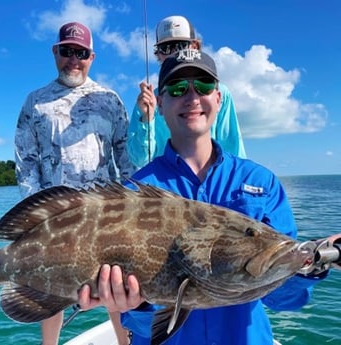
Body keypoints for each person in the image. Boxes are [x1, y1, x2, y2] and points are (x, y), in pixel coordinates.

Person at [77, 48, 328, 344]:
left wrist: (308, 264)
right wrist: (134, 305)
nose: (193, 97)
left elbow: (286, 301)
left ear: (219, 99)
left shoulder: (260, 182)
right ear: (159, 103)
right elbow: (145, 329)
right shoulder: (135, 193)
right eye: (179, 88)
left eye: (205, 86)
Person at [14, 21, 134, 345]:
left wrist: (134, 212)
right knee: (50, 288)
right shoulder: (35, 102)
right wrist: (37, 216)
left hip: (105, 219)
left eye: (81, 53)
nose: (74, 59)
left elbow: (125, 160)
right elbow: (26, 164)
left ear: (92, 57)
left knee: (115, 285)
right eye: (67, 51)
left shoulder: (111, 100)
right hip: (56, 219)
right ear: (55, 52)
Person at [128, 15, 246, 169]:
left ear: (195, 46)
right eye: (166, 48)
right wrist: (147, 119)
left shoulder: (220, 92)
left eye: (180, 45)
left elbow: (232, 147)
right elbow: (138, 160)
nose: (173, 53)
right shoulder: (146, 101)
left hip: (210, 183)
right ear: (158, 54)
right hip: (163, 188)